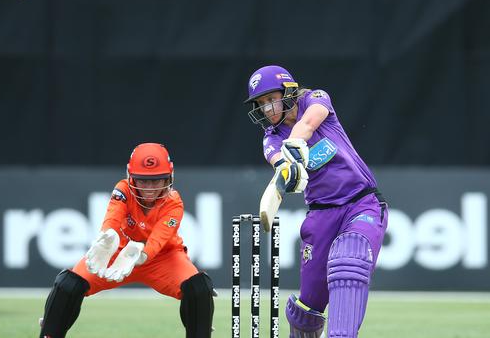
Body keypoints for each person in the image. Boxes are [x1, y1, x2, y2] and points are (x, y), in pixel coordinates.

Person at [244, 65, 389, 338]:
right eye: (261, 104)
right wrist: (286, 167)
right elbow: (278, 162)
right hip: (321, 216)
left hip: (361, 203)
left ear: (288, 92)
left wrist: (296, 142)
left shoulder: (315, 98)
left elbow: (310, 122)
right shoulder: (271, 139)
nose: (266, 109)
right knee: (308, 308)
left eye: (270, 99)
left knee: (349, 261)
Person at [38, 142, 215, 338]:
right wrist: (109, 237)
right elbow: (113, 216)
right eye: (143, 181)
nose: (149, 188)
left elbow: (159, 238)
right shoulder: (122, 189)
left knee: (199, 288)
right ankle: (50, 330)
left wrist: (142, 256)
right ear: (131, 178)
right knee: (68, 284)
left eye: (156, 181)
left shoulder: (174, 202)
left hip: (163, 258)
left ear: (168, 178)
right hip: (118, 254)